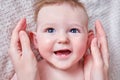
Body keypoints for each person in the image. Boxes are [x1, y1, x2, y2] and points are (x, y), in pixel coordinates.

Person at [9, 0, 109, 80]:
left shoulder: (91, 70)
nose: (62, 39)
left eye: (74, 30)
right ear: (36, 40)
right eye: (50, 30)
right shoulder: (27, 70)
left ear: (88, 40)